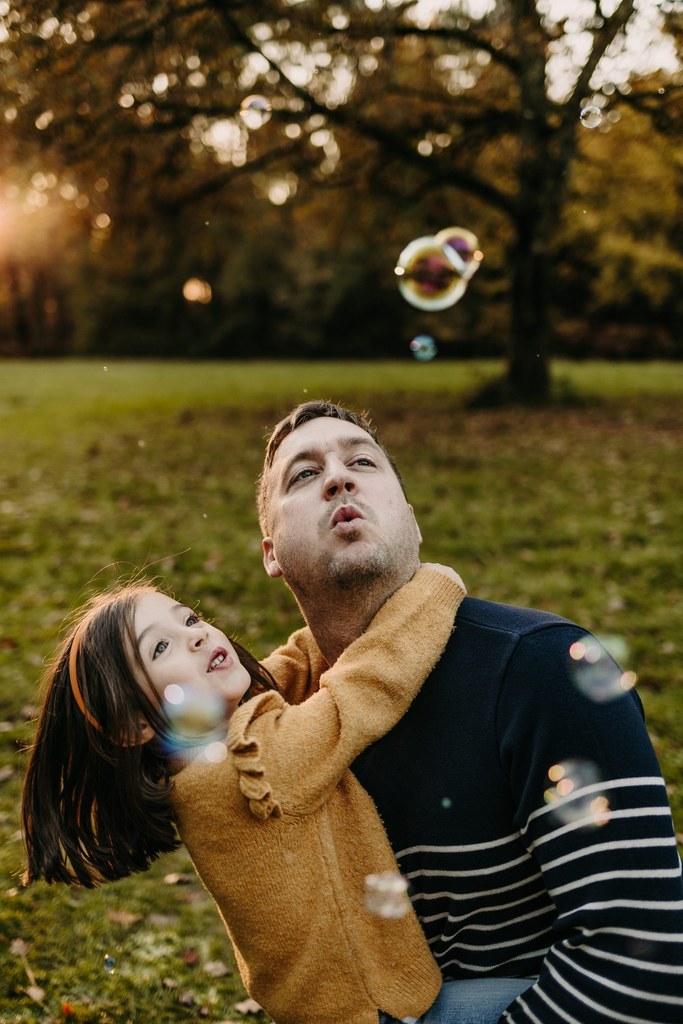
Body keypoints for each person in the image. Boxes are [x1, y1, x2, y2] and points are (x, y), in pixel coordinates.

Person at [256, 399, 683, 1024]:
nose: (337, 478)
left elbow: (644, 963)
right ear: (271, 552)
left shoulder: (543, 668)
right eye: (303, 474)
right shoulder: (283, 730)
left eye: (362, 461)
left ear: (411, 518)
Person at [21, 565, 465, 1024]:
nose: (194, 636)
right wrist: (433, 587)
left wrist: (343, 608)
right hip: (374, 1009)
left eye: (189, 620)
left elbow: (292, 668)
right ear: (132, 725)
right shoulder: (252, 767)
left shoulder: (202, 757)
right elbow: (366, 687)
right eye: (160, 646)